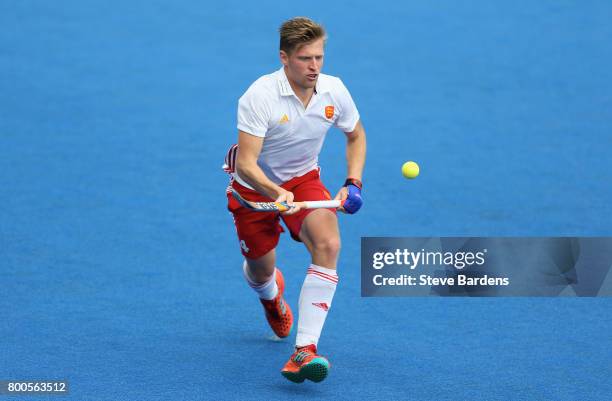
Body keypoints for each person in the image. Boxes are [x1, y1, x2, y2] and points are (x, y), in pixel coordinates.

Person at [223, 16, 366, 383]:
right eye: (305, 58)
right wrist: (275, 192)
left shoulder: (334, 91)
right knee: (260, 270)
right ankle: (271, 297)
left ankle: (305, 350)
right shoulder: (259, 96)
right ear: (284, 58)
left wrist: (353, 183)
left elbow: (355, 135)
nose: (314, 66)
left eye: (319, 57)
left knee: (329, 243)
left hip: (304, 179)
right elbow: (248, 163)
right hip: (253, 190)